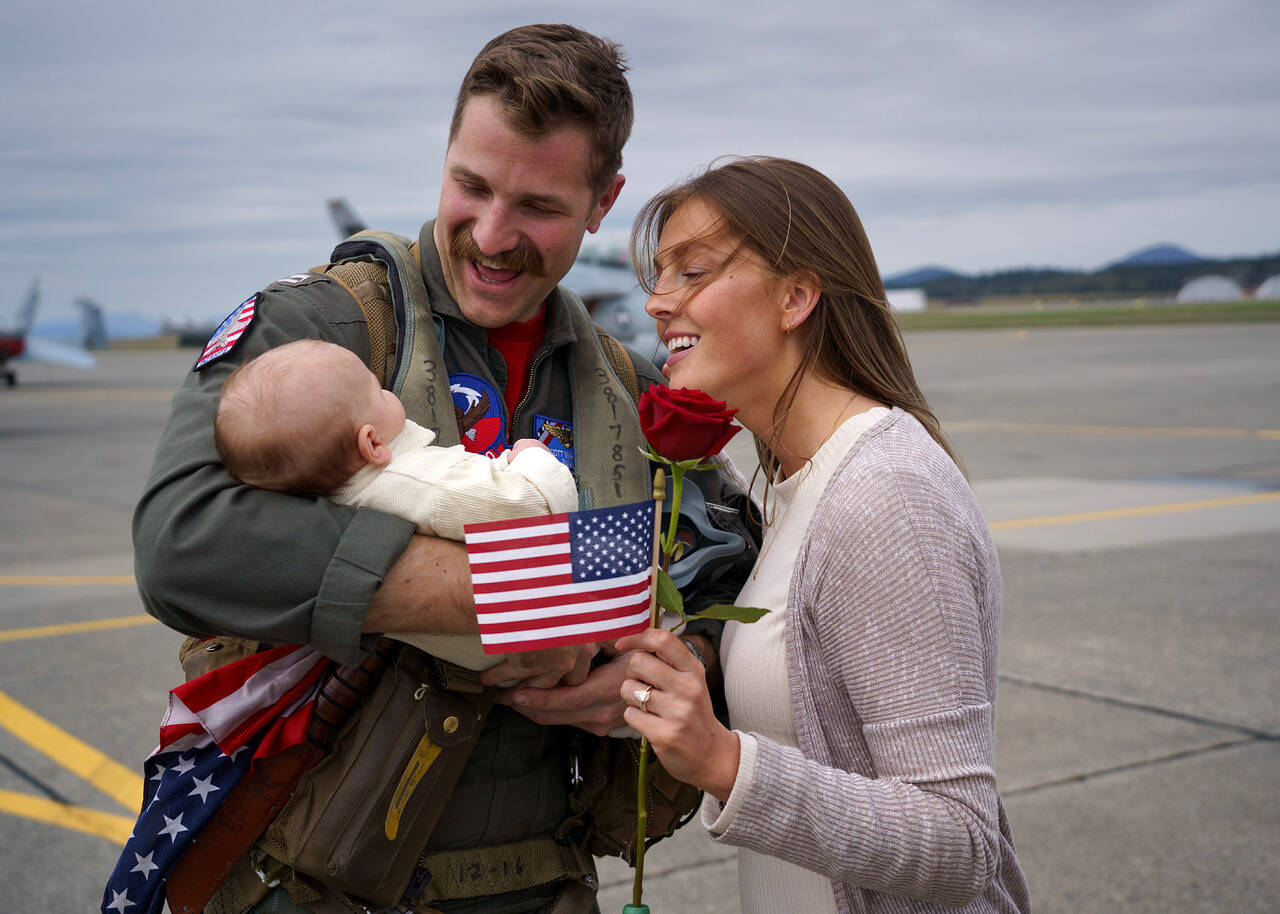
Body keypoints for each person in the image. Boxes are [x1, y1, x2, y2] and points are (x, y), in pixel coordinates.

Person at [132, 24, 754, 914]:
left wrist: (671, 664)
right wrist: (519, 601)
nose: (492, 235)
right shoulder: (319, 335)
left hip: (542, 885)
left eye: (538, 206)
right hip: (307, 887)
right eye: (471, 187)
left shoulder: (630, 388)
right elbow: (180, 541)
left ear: (603, 200)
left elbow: (733, 570)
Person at [615, 157, 1032, 913]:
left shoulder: (884, 494)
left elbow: (960, 841)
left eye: (692, 272)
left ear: (797, 295)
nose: (655, 302)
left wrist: (724, 760)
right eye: (659, 275)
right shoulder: (793, 484)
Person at [214, 338, 578, 671]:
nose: (387, 389)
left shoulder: (337, 497)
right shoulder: (425, 483)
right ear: (371, 442)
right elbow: (537, 509)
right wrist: (533, 457)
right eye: (376, 389)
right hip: (537, 645)